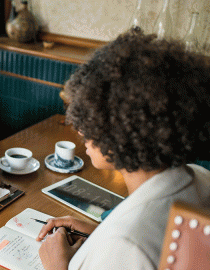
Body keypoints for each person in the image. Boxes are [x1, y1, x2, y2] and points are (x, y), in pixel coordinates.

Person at [37, 29, 210, 270]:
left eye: (90, 120)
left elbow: (137, 244)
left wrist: (57, 266)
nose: (80, 131)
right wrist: (101, 235)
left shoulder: (128, 242)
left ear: (122, 131)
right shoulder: (200, 177)